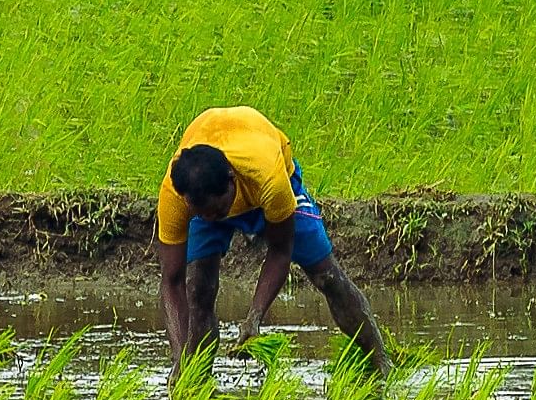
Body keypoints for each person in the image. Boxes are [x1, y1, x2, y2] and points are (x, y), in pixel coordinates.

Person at [155, 106, 393, 371]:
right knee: (198, 287)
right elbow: (171, 280)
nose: (215, 218)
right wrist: (178, 356)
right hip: (211, 192)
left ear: (232, 180)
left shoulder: (267, 176)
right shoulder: (175, 198)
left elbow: (281, 250)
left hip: (267, 189)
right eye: (203, 214)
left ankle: (380, 361)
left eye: (219, 210)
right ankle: (194, 376)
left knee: (327, 275)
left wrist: (254, 318)